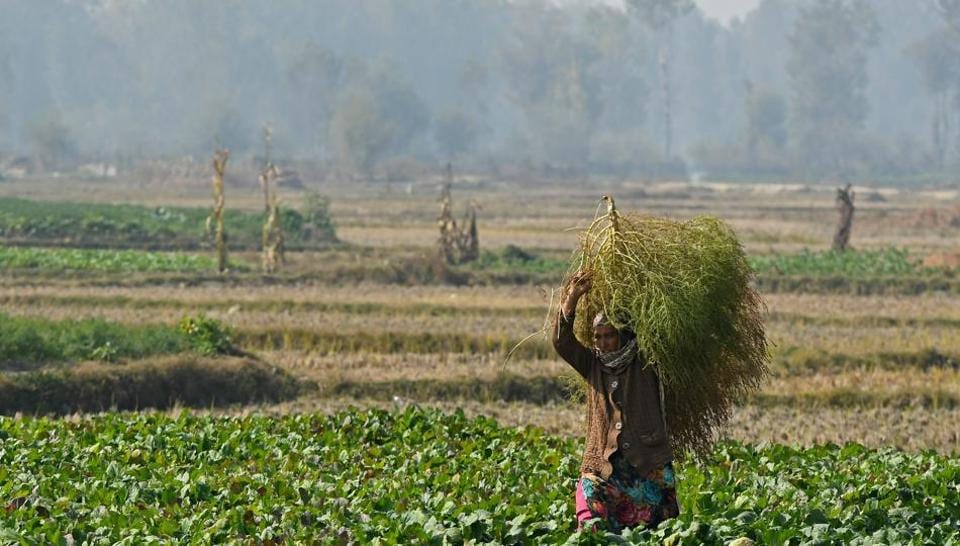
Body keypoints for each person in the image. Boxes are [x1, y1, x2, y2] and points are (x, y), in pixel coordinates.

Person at [553, 270, 679, 533]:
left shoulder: (647, 361)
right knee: (590, 514)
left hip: (646, 461)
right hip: (603, 462)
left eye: (609, 335)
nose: (602, 342)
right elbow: (561, 341)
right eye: (597, 336)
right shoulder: (591, 364)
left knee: (653, 530)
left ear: (623, 335)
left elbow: (667, 333)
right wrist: (572, 297)